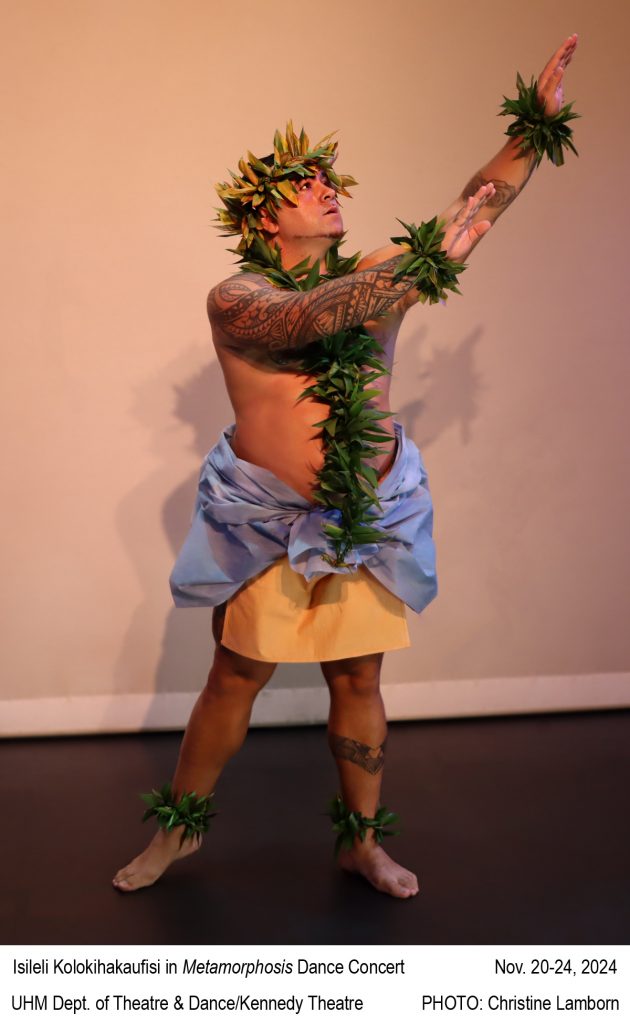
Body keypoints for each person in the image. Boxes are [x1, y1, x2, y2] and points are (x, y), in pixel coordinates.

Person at [113, 35, 578, 897]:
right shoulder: (239, 298)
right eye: (306, 187)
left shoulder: (377, 268)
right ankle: (179, 835)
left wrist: (530, 135)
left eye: (333, 184)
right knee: (235, 676)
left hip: (366, 514)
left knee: (360, 677)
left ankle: (360, 842)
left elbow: (476, 205)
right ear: (263, 219)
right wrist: (431, 258)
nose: (329, 193)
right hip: (265, 520)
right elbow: (315, 318)